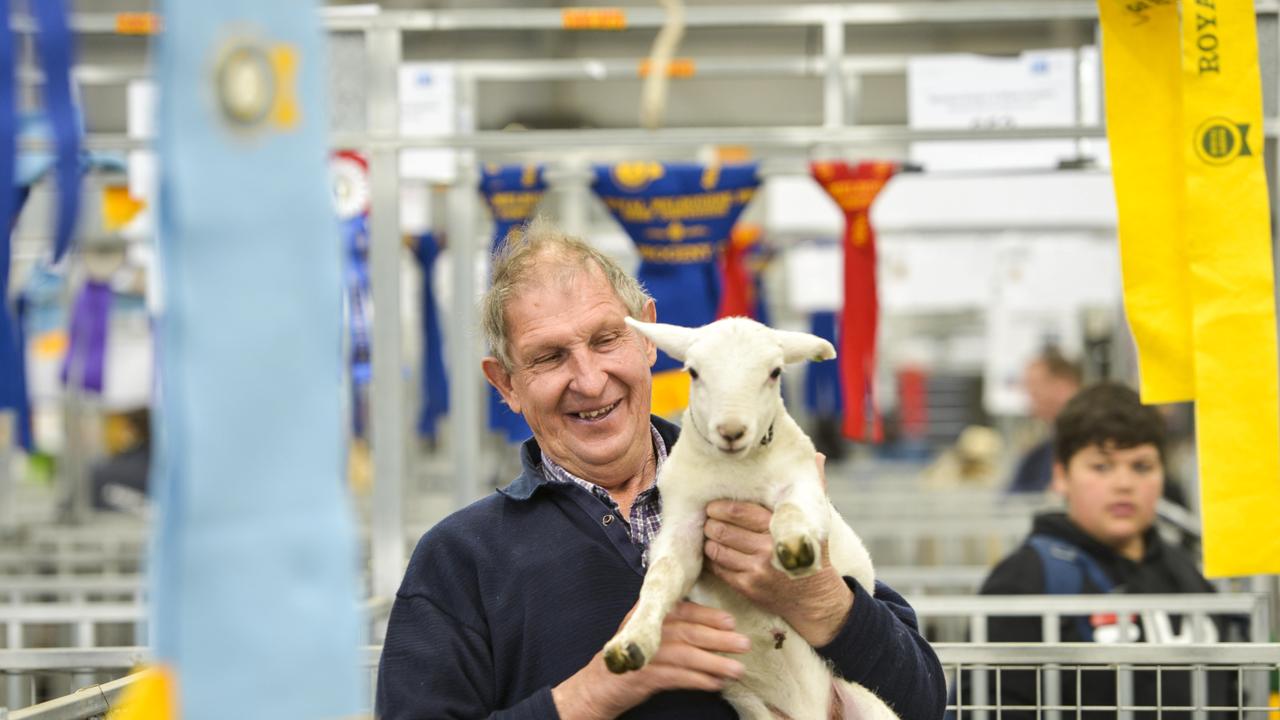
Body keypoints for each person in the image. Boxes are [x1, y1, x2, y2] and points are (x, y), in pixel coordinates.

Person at [376, 219, 945, 719]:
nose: (591, 379)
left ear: (650, 338)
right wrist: (598, 691)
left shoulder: (766, 486)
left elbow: (922, 700)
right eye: (550, 357)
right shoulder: (461, 559)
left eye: (607, 339)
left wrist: (818, 599)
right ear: (506, 384)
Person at [977, 382, 1233, 718]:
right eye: (1102, 466)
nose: (1124, 484)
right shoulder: (1023, 581)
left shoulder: (1187, 571)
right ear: (1061, 476)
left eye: (1142, 466)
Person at [1005, 347, 1081, 495]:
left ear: (1063, 385)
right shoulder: (1040, 451)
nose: (1028, 395)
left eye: (1033, 386)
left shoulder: (1088, 442)